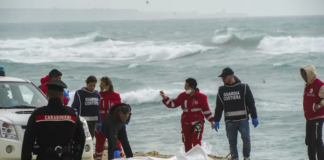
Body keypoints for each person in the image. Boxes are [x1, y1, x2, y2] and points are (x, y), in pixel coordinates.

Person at [21, 80, 85, 160]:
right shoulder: (72, 114)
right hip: (66, 157)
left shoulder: (38, 114)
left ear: (47, 94)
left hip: (44, 157)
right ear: (62, 95)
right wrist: (77, 157)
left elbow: (28, 141)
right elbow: (81, 139)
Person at [214, 67, 258, 160]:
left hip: (243, 120)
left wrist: (254, 116)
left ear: (231, 76)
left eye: (225, 77)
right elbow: (219, 106)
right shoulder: (221, 90)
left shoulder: (244, 87)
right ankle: (235, 158)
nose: (223, 79)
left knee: (246, 138)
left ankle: (246, 156)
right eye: (222, 77)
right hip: (229, 121)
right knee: (232, 142)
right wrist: (216, 120)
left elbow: (251, 103)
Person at [160, 78, 214, 152]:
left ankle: (197, 157)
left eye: (187, 86)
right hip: (185, 122)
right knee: (187, 142)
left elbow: (206, 110)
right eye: (184, 85)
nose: (184, 87)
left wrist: (212, 121)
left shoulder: (201, 97)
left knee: (196, 142)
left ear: (193, 87)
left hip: (198, 122)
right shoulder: (182, 96)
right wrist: (165, 98)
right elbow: (173, 104)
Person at [94, 76, 125, 159]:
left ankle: (119, 158)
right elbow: (94, 109)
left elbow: (120, 111)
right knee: (99, 143)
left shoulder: (116, 96)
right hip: (100, 123)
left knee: (116, 142)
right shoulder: (97, 95)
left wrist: (122, 122)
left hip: (113, 123)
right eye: (100, 84)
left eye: (102, 84)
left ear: (108, 86)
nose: (100, 86)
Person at [300, 65, 324, 160]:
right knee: (309, 142)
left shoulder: (320, 85)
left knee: (317, 141)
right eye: (302, 73)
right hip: (309, 118)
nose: (303, 75)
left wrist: (319, 106)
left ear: (310, 73)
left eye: (305, 73)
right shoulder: (307, 85)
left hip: (317, 118)